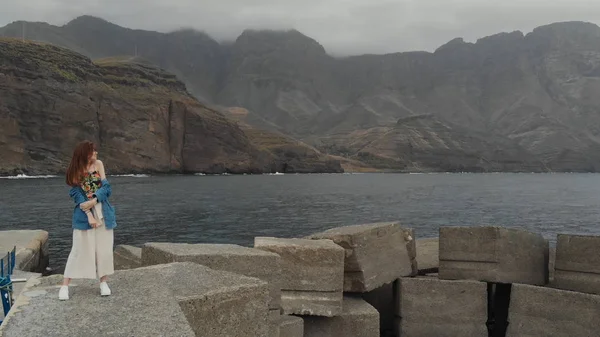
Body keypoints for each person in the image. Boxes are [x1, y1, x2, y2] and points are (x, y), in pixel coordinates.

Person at [59, 141, 117, 300]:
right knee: (78, 249)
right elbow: (76, 194)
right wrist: (89, 215)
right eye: (93, 151)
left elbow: (107, 188)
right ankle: (64, 286)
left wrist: (94, 200)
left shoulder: (98, 164)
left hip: (103, 212)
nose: (96, 153)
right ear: (85, 153)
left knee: (104, 250)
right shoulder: (75, 170)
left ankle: (103, 282)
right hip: (84, 215)